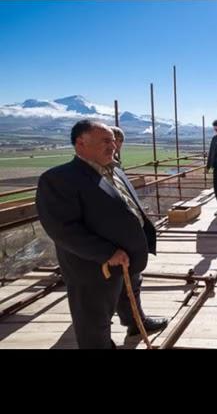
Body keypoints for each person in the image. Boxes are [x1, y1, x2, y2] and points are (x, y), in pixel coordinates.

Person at [35, 120, 167, 349]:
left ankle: (136, 323)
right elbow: (63, 229)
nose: (113, 146)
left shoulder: (114, 169)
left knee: (130, 293)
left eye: (114, 141)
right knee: (94, 318)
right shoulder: (59, 179)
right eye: (106, 141)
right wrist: (107, 253)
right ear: (80, 143)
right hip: (93, 266)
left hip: (127, 256)